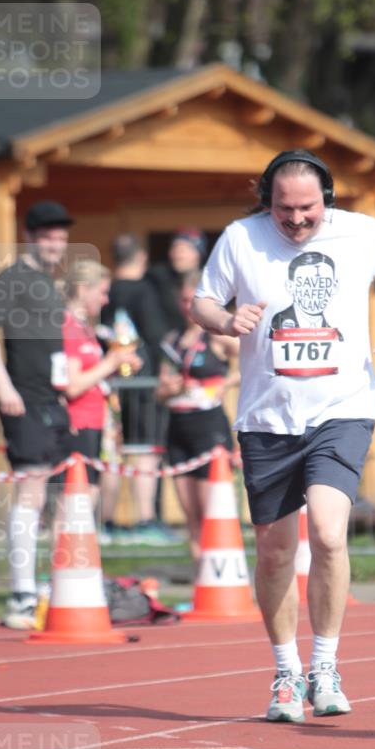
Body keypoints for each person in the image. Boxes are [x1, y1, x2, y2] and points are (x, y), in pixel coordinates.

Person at [193, 149, 375, 723]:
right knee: (274, 553)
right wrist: (226, 321)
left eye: (307, 208)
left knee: (328, 532)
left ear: (328, 199)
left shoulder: (361, 233)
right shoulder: (242, 238)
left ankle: (325, 665)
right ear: (267, 201)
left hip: (342, 410)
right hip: (267, 420)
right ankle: (286, 672)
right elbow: (203, 301)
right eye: (283, 209)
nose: (295, 220)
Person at [0, 200, 74, 629]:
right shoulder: (12, 278)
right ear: (31, 236)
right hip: (25, 401)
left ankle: (44, 590)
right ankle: (20, 594)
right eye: (49, 235)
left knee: (57, 498)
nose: (57, 242)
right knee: (31, 492)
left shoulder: (49, 283)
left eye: (61, 235)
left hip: (54, 402)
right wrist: (4, 386)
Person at [156, 272, 239, 564]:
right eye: (183, 300)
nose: (187, 305)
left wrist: (223, 385)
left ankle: (223, 580)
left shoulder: (216, 337)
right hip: (178, 426)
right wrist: (167, 389)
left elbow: (252, 363)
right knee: (191, 517)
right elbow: (160, 390)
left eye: (194, 299)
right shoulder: (173, 339)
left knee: (211, 512)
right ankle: (200, 586)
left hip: (208, 427)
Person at [102, 233, 175, 545]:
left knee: (111, 452)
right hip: (143, 382)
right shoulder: (145, 291)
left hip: (109, 379)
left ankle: (107, 523)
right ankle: (145, 519)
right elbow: (158, 337)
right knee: (146, 450)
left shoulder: (106, 291)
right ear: (141, 258)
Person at [62, 259, 141, 505]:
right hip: (78, 423)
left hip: (95, 421)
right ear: (83, 288)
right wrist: (111, 362)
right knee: (73, 502)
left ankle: (83, 544)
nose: (106, 300)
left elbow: (91, 374)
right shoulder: (67, 325)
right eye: (103, 292)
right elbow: (72, 385)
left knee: (88, 499)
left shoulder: (85, 327)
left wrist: (115, 367)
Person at [148, 229, 208, 329]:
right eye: (175, 249)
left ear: (198, 254)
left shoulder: (211, 284)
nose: (178, 255)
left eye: (183, 250)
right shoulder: (157, 281)